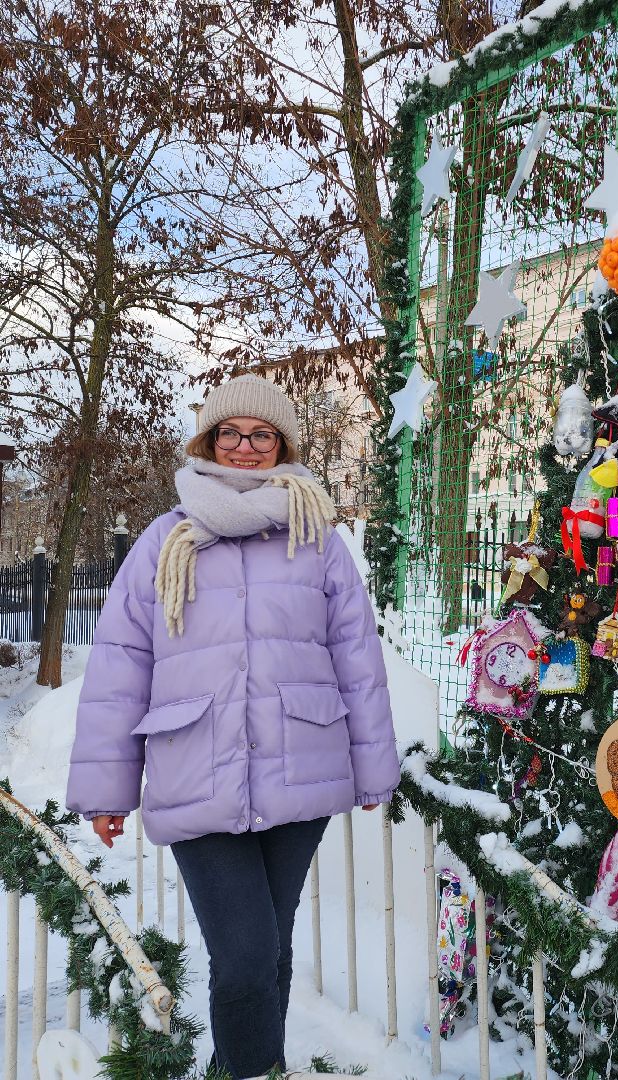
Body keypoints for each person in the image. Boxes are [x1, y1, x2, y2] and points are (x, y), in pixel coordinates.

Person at [66, 374, 399, 1079]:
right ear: (208, 440)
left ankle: (248, 1066)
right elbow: (119, 669)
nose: (245, 447)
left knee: (268, 953)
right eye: (231, 432)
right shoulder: (166, 541)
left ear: (282, 443)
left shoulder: (317, 539)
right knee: (245, 954)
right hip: (198, 773)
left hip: (299, 767)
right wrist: (106, 791)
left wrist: (374, 769)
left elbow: (357, 659)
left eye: (262, 434)